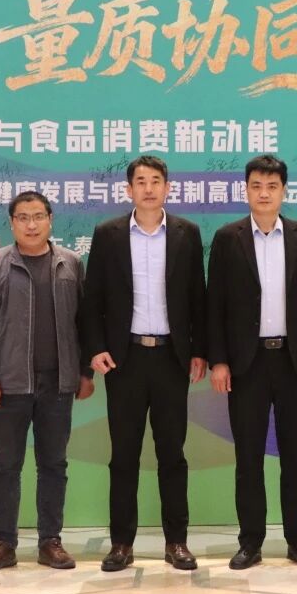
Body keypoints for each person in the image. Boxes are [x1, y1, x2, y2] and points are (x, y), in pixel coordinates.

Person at [82, 156, 208, 572]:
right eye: (141, 181)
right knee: (124, 455)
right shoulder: (109, 234)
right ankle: (121, 544)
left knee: (172, 453)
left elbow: (198, 296)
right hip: (125, 360)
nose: (149, 188)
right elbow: (93, 298)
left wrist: (199, 350)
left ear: (168, 188)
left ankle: (177, 542)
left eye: (156, 181)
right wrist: (96, 348)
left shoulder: (187, 233)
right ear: (129, 189)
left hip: (172, 358)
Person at [206, 155, 297, 569]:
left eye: (272, 186)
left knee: (296, 458)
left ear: (283, 192)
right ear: (246, 190)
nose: (264, 193)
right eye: (256, 186)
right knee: (249, 457)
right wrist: (219, 361)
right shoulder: (228, 238)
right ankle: (250, 542)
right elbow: (215, 303)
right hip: (247, 364)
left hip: (293, 361)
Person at [0, 191, 94, 572]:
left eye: (38, 216)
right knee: (6, 465)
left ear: (50, 219)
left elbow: (85, 324)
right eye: (23, 217)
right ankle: (3, 543)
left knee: (54, 464)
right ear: (12, 223)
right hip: (9, 384)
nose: (31, 224)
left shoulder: (70, 263)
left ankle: (50, 542)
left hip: (58, 384)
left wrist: (85, 372)